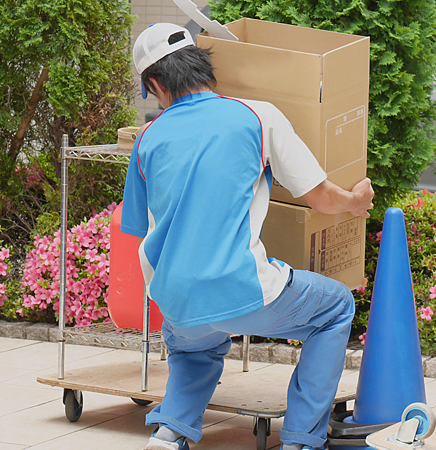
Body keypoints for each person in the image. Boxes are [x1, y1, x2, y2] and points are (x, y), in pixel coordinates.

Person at [121, 23, 374, 450]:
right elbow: (321, 198)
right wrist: (355, 201)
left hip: (175, 303)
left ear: (156, 83)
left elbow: (137, 229)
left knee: (194, 347)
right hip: (243, 291)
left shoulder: (147, 139)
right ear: (202, 65)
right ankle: (299, 440)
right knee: (335, 308)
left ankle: (170, 434)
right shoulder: (257, 116)